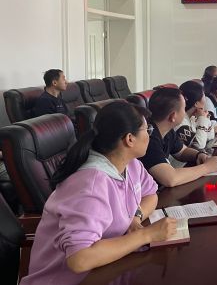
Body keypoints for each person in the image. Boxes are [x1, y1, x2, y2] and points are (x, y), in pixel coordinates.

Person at [21, 101, 177, 285]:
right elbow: (79, 259)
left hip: (107, 269)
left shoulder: (131, 164)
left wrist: (135, 218)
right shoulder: (91, 184)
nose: (150, 135)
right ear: (129, 139)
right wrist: (147, 235)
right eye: (147, 130)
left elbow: (151, 194)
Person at [139, 87, 217, 187]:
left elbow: (182, 151)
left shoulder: (166, 130)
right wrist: (207, 167)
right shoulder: (148, 137)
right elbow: (170, 179)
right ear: (173, 116)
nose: (185, 112)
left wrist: (199, 155)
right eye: (183, 109)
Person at [175, 81, 216, 151]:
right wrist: (203, 119)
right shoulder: (180, 122)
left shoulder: (193, 118)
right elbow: (198, 145)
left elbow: (210, 136)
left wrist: (205, 119)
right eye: (204, 95)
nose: (206, 99)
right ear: (196, 103)